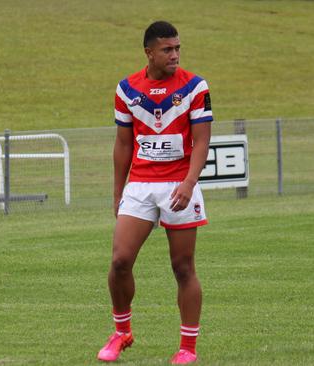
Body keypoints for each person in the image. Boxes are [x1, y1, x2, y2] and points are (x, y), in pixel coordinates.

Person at [97, 20, 213, 365]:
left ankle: (187, 348)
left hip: (180, 183)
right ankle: (121, 332)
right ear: (149, 52)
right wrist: (118, 193)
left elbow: (202, 140)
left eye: (178, 48)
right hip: (141, 185)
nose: (175, 54)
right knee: (119, 261)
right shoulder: (126, 89)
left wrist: (189, 183)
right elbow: (122, 145)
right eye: (167, 49)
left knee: (182, 267)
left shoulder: (194, 86)